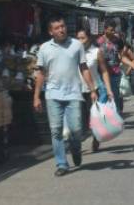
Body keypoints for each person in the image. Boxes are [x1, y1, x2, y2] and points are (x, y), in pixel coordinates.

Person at [34, 16, 98, 177]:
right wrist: (36, 96)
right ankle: (62, 163)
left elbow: (84, 68)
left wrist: (92, 89)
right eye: (57, 28)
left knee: (76, 130)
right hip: (52, 95)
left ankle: (76, 150)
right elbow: (40, 73)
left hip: (73, 94)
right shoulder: (44, 48)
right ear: (51, 31)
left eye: (62, 26)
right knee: (56, 131)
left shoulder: (76, 45)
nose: (61, 29)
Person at [76, 28, 114, 153]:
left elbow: (104, 71)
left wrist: (109, 90)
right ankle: (76, 144)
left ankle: (96, 139)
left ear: (89, 39)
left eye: (83, 38)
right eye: (78, 38)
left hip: (94, 89)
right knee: (78, 119)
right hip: (77, 90)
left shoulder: (96, 52)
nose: (80, 41)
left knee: (93, 118)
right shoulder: (74, 53)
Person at [97, 20, 125, 114]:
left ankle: (116, 115)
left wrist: (124, 61)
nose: (113, 32)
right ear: (105, 30)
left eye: (114, 30)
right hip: (102, 73)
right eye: (111, 30)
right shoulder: (99, 41)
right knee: (104, 93)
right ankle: (99, 116)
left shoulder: (117, 40)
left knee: (115, 94)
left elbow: (121, 53)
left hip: (115, 72)